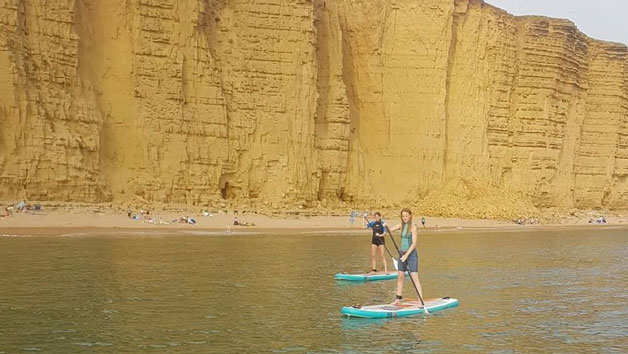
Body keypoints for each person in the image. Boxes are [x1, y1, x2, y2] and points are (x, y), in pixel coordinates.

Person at [388, 208, 424, 306]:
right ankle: (398, 299)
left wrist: (406, 255)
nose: (404, 218)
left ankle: (420, 301)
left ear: (410, 216)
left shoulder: (413, 227)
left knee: (414, 277)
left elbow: (414, 243)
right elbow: (389, 230)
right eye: (403, 216)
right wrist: (382, 230)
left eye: (406, 216)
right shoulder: (401, 225)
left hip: (411, 255)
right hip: (401, 254)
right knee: (400, 276)